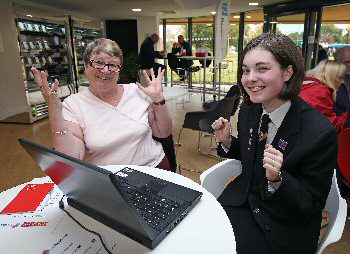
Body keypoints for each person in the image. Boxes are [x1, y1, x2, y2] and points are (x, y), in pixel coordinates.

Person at [211, 33, 338, 254]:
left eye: (262, 69)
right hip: (244, 202)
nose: (250, 78)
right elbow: (254, 154)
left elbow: (310, 204)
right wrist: (229, 142)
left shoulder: (319, 132)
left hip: (283, 223)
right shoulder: (250, 110)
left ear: (288, 72)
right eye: (245, 70)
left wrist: (278, 179)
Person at [31, 38, 173, 170]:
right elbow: (72, 157)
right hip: (109, 180)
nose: (106, 70)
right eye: (98, 62)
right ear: (86, 65)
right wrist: (54, 111)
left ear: (119, 69)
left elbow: (163, 132)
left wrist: (158, 100)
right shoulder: (74, 104)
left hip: (154, 168)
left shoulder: (136, 91)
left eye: (113, 64)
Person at [299, 59, 349, 133]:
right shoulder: (320, 93)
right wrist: (347, 115)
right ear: (330, 76)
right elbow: (331, 128)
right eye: (340, 77)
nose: (342, 81)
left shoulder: (307, 85)